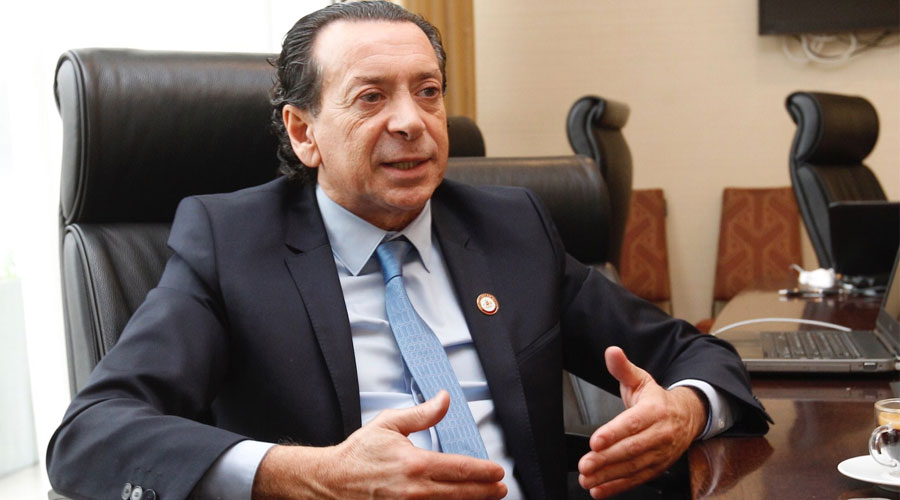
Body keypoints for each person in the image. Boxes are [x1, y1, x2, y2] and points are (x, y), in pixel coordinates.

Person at [46, 2, 770, 499]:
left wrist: (685, 410)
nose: (412, 122)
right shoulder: (230, 244)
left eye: (428, 92)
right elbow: (92, 434)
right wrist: (310, 475)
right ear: (303, 132)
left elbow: (695, 354)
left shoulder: (512, 227)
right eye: (371, 97)